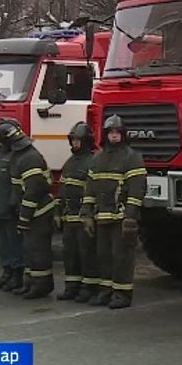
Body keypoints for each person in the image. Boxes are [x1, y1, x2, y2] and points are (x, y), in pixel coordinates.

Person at [80, 115, 146, 309]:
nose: (114, 136)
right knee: (103, 255)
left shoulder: (132, 157)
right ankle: (106, 291)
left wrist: (130, 216)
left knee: (121, 256)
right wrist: (87, 213)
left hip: (121, 217)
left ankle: (122, 293)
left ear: (123, 134)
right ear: (105, 134)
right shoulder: (98, 158)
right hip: (102, 217)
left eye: (117, 132)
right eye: (111, 132)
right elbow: (90, 188)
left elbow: (136, 189)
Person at [1, 120, 56, 299]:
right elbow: (18, 188)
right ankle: (31, 282)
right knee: (29, 250)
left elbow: (34, 191)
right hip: (31, 211)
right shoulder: (20, 156)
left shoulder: (29, 158)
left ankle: (42, 285)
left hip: (39, 212)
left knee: (38, 250)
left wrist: (24, 217)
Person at [56, 121, 98, 301]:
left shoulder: (92, 162)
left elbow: (94, 191)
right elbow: (62, 188)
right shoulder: (70, 162)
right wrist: (57, 212)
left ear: (86, 141)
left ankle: (89, 287)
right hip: (69, 217)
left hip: (83, 218)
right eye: (72, 140)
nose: (74, 143)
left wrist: (89, 215)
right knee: (70, 254)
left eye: (77, 140)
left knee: (86, 254)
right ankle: (72, 286)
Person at [0, 118, 25, 291]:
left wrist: (13, 203)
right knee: (3, 243)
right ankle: (7, 271)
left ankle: (17, 274)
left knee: (14, 243)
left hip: (10, 208)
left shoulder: (17, 155)